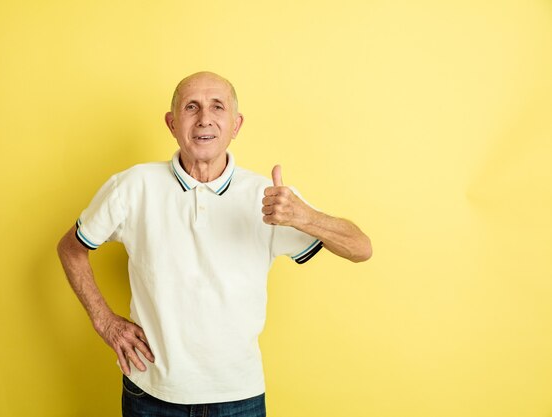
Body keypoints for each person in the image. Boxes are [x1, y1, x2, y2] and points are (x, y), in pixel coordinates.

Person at [57, 71, 372, 417]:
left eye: (217, 107)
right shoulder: (133, 186)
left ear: (235, 125)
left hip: (240, 398)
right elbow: (71, 248)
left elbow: (361, 249)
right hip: (150, 394)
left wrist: (305, 216)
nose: (204, 118)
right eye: (191, 107)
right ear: (172, 123)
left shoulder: (267, 196)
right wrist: (106, 322)